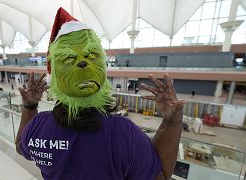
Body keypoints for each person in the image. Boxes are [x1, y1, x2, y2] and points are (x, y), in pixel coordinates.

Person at [16, 8, 184, 180]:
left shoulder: (38, 127)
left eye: (90, 55)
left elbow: (21, 147)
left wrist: (29, 106)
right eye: (69, 59)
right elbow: (160, 176)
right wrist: (172, 122)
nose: (82, 63)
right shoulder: (123, 134)